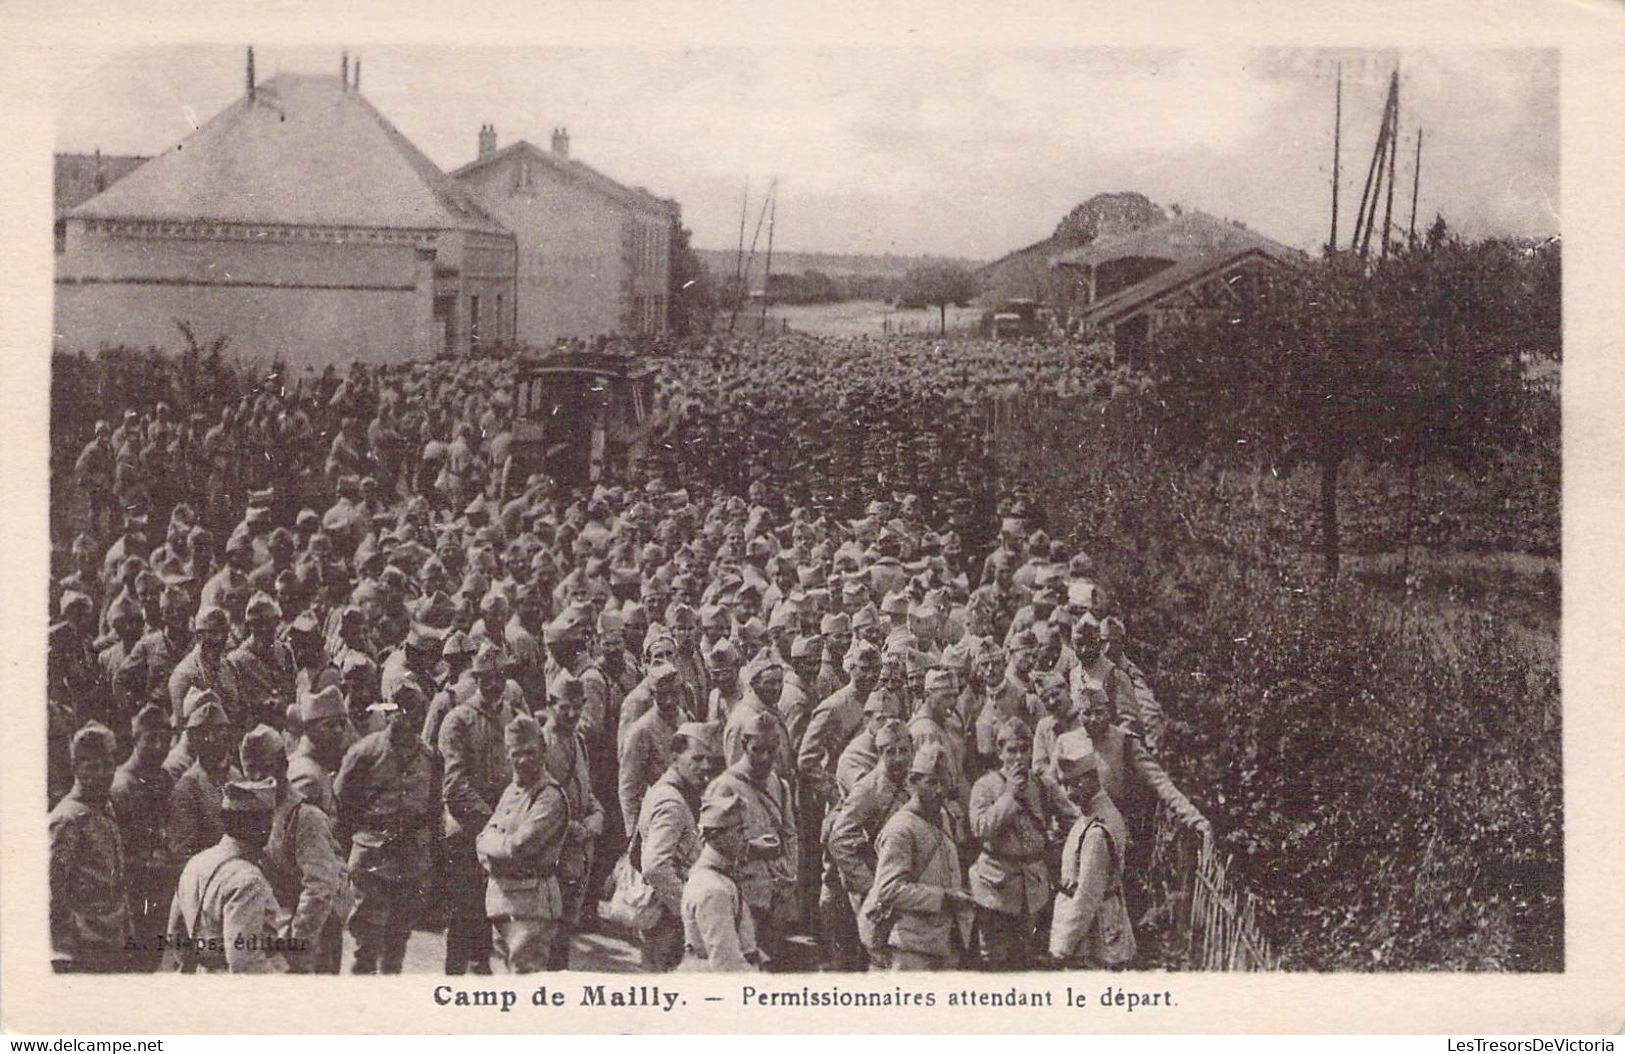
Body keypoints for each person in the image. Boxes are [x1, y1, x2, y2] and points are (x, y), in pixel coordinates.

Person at [333, 684, 442, 974]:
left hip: (412, 856)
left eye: (411, 710)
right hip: (373, 855)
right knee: (367, 940)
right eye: (397, 709)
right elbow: (341, 800)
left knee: (398, 940)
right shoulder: (365, 752)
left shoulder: (429, 757)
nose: (404, 717)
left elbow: (433, 808)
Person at [239, 725, 351, 974]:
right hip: (279, 922)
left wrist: (295, 946)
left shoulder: (305, 817)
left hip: (315, 928)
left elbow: (320, 888)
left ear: (283, 766)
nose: (258, 777)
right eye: (251, 769)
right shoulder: (253, 810)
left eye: (266, 768)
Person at [967, 716, 1075, 970]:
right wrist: (1010, 796)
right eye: (1011, 751)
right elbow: (980, 828)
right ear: (1000, 752)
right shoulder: (985, 786)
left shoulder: (1042, 784)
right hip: (995, 888)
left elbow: (1072, 817)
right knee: (995, 961)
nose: (1018, 758)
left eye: (1024, 750)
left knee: (1026, 959)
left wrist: (1059, 847)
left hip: (1033, 888)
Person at [860, 741, 973, 971]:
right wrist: (943, 898)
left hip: (944, 941)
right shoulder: (901, 828)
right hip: (910, 947)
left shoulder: (942, 816)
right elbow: (889, 889)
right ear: (913, 782)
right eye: (931, 783)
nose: (939, 790)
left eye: (943, 782)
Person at [437, 642, 513, 974]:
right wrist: (490, 820)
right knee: (464, 912)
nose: (494, 685)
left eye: (500, 678)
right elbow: (454, 786)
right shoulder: (459, 720)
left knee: (493, 912)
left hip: (500, 830)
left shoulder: (511, 715)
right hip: (466, 829)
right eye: (487, 679)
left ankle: (481, 971)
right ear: (475, 678)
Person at [704, 710, 800, 970]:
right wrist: (749, 850)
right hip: (743, 897)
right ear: (744, 745)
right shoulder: (725, 786)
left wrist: (789, 873)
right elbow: (712, 844)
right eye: (758, 750)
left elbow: (789, 834)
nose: (765, 758)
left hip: (776, 895)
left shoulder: (779, 785)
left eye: (772, 750)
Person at [477, 713, 569, 974]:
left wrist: (490, 845)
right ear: (507, 754)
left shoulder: (548, 796)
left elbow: (518, 847)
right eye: (516, 753)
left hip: (532, 909)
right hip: (501, 903)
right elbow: (482, 840)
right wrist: (492, 845)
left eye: (530, 752)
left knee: (525, 987)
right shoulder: (512, 791)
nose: (523, 760)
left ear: (543, 751)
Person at [165, 777, 287, 973]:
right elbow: (244, 962)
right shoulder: (248, 880)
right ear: (262, 825)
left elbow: (175, 938)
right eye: (268, 820)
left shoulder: (195, 863)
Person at [824, 721, 912, 970]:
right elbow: (839, 840)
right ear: (879, 754)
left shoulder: (912, 782)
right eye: (889, 752)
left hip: (905, 882)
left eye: (903, 750)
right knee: (879, 955)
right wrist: (869, 886)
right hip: (877, 886)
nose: (897, 758)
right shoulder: (867, 789)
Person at [635, 722, 722, 971]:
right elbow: (654, 867)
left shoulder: (674, 791)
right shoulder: (671, 802)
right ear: (674, 757)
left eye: (709, 760)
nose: (705, 766)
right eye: (697, 758)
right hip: (666, 918)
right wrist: (688, 908)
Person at [49, 722, 133, 973]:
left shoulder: (104, 806)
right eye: (92, 767)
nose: (102, 774)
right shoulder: (67, 817)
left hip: (112, 938)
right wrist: (62, 950)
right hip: (83, 945)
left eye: (108, 765)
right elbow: (54, 891)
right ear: (75, 768)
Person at [1049, 731, 1136, 968]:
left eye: (1073, 784)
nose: (1068, 793)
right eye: (1065, 785)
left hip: (1092, 938)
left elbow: (1087, 895)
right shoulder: (1092, 814)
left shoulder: (1097, 830)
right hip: (1094, 931)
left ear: (1091, 778)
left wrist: (1063, 946)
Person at [540, 671, 605, 967]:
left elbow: (586, 790)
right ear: (551, 703)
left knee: (566, 927)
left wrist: (596, 816)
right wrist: (569, 827)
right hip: (551, 849)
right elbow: (535, 801)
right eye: (565, 706)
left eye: (578, 706)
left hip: (577, 849)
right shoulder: (541, 743)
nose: (572, 713)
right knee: (547, 928)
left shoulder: (577, 740)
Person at [109, 704, 177, 971]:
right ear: (136, 739)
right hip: (134, 889)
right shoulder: (122, 785)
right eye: (151, 739)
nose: (160, 746)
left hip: (159, 884)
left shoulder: (163, 778)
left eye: (165, 739)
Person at [677, 790, 760, 972]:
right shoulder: (713, 889)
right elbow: (726, 964)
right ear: (716, 835)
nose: (746, 838)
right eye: (739, 831)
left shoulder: (717, 875)